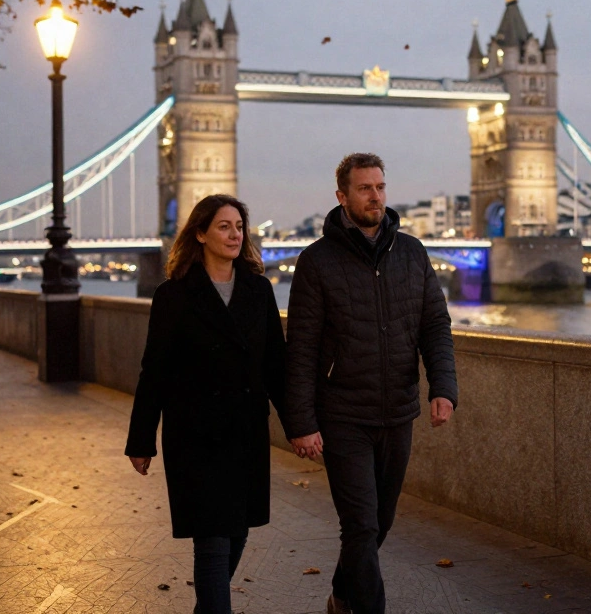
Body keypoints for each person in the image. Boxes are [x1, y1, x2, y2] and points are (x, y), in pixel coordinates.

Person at [284, 153, 458, 614]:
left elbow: (435, 327)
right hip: (343, 415)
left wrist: (443, 387)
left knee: (380, 522)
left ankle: (342, 595)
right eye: (364, 188)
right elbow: (300, 348)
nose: (375, 195)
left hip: (399, 411)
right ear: (342, 197)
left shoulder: (413, 253)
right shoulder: (316, 262)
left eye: (380, 186)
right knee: (360, 525)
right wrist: (301, 423)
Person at [125, 194, 288, 614]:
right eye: (223, 226)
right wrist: (141, 439)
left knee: (237, 535)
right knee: (213, 541)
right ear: (200, 233)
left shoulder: (259, 290)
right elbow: (154, 371)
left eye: (239, 227)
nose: (235, 234)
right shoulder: (173, 295)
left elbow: (277, 367)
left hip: (246, 432)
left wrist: (300, 425)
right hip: (195, 436)